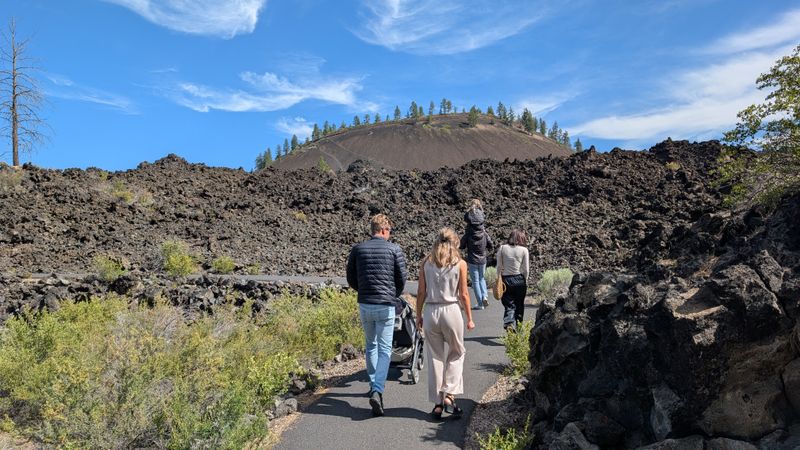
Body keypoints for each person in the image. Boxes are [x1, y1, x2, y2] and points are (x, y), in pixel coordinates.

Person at [347, 214, 408, 417]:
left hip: (365, 303)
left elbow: (351, 277)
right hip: (385, 305)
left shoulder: (358, 249)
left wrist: (362, 291)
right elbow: (401, 278)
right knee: (384, 350)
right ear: (383, 230)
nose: (390, 234)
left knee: (370, 345)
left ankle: (374, 384)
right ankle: (377, 389)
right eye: (389, 230)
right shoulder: (394, 250)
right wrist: (394, 295)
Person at [415, 228, 475, 420]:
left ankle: (438, 404)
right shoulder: (460, 264)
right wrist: (470, 318)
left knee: (435, 357)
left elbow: (421, 292)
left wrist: (418, 315)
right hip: (451, 310)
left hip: (431, 311)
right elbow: (464, 294)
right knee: (457, 352)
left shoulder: (426, 262)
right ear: (455, 243)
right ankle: (450, 394)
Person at [459, 199, 494, 310]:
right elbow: (490, 244)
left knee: (475, 281)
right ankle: (485, 296)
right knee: (482, 278)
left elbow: (462, 245)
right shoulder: (484, 233)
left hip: (472, 260)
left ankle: (480, 304)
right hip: (483, 259)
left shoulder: (468, 233)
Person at [496, 229, 529, 330]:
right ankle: (518, 327)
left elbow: (498, 266)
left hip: (506, 280)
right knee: (519, 304)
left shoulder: (502, 248)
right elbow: (526, 269)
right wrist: (525, 280)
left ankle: (509, 322)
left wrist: (498, 279)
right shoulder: (524, 250)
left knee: (509, 304)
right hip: (519, 280)